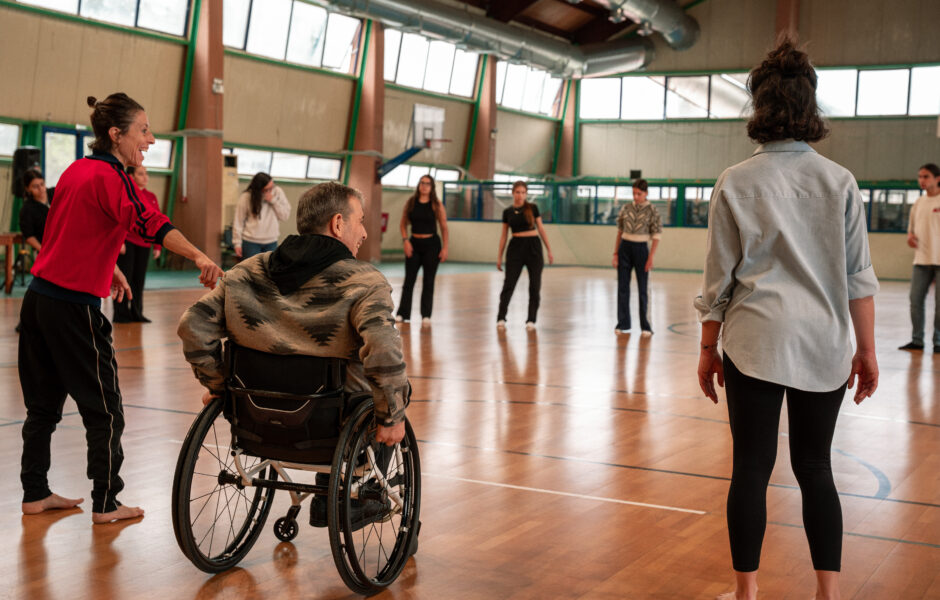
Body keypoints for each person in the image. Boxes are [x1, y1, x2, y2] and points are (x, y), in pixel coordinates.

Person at [694, 40, 879, 600]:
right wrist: (866, 351)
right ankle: (828, 593)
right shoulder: (840, 181)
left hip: (754, 342)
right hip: (823, 342)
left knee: (751, 469)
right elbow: (859, 277)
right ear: (809, 105)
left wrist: (707, 349)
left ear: (759, 107)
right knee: (816, 469)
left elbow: (717, 280)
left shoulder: (736, 180)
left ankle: (747, 593)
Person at [19, 92, 223, 524]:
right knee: (106, 409)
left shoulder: (76, 170)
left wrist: (111, 266)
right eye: (143, 131)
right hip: (73, 308)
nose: (148, 140)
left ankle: (34, 492)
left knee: (42, 408)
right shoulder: (113, 178)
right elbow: (149, 225)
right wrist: (200, 257)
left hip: (38, 300)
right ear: (116, 134)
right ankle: (107, 502)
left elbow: (72, 228)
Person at [495, 181, 554, 329]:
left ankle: (531, 320)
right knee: (509, 283)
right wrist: (499, 256)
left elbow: (541, 229)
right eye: (517, 192)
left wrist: (549, 250)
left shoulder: (533, 208)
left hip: (533, 247)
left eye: (523, 192)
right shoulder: (507, 212)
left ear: (526, 194)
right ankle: (501, 317)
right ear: (513, 193)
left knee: (535, 286)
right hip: (515, 248)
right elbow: (503, 236)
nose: (520, 195)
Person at [396, 174, 449, 325]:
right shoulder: (411, 202)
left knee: (428, 281)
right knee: (409, 281)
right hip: (414, 245)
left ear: (431, 187)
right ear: (419, 185)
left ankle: (426, 314)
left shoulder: (436, 204)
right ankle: (402, 313)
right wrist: (406, 240)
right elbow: (402, 224)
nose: (424, 186)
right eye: (422, 183)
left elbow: (444, 227)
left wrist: (445, 247)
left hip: (432, 245)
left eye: (427, 183)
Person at [898, 163, 940, 353]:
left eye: (926, 176)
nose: (922, 180)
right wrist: (910, 238)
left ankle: (938, 341)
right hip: (921, 261)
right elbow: (911, 233)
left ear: (937, 179)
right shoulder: (918, 203)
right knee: (915, 300)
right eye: (920, 176)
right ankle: (917, 340)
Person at [612, 179, 662, 336]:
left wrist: (651, 257)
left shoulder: (653, 210)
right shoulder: (626, 208)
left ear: (646, 193)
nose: (636, 196)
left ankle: (646, 326)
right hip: (624, 249)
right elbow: (620, 231)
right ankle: (623, 323)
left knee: (643, 290)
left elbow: (656, 236)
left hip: (642, 250)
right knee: (623, 288)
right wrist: (615, 253)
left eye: (639, 194)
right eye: (633, 193)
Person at [114, 165, 163, 323]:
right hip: (127, 242)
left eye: (146, 174)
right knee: (124, 278)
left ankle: (137, 312)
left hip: (144, 243)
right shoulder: (126, 193)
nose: (145, 177)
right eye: (141, 174)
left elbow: (157, 221)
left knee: (138, 280)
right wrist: (119, 242)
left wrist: (157, 245)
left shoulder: (151, 196)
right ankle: (121, 314)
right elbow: (118, 218)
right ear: (131, 176)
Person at [232, 171, 290, 259]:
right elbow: (238, 221)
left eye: (272, 187)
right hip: (250, 242)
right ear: (259, 189)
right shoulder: (246, 196)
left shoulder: (278, 192)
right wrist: (237, 243)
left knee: (270, 271)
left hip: (271, 241)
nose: (271, 191)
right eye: (267, 189)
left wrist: (273, 201)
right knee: (252, 272)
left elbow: (285, 216)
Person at [19, 168, 50, 255]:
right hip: (45, 249)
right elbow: (29, 235)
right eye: (35, 186)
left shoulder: (55, 193)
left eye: (42, 184)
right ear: (28, 189)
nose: (41, 189)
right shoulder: (27, 209)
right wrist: (43, 251)